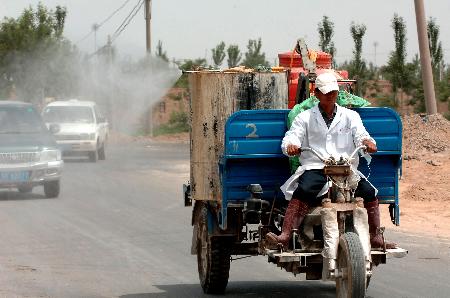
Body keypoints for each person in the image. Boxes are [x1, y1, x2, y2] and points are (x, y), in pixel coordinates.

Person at [265, 72, 396, 250]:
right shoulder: (304, 117)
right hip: (316, 166)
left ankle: (375, 236)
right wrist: (291, 146)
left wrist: (368, 143)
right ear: (316, 94)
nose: (330, 96)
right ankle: (286, 235)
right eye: (326, 93)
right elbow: (291, 138)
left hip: (345, 168)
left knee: (369, 192)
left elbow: (361, 135)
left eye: (333, 92)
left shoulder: (350, 116)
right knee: (304, 190)